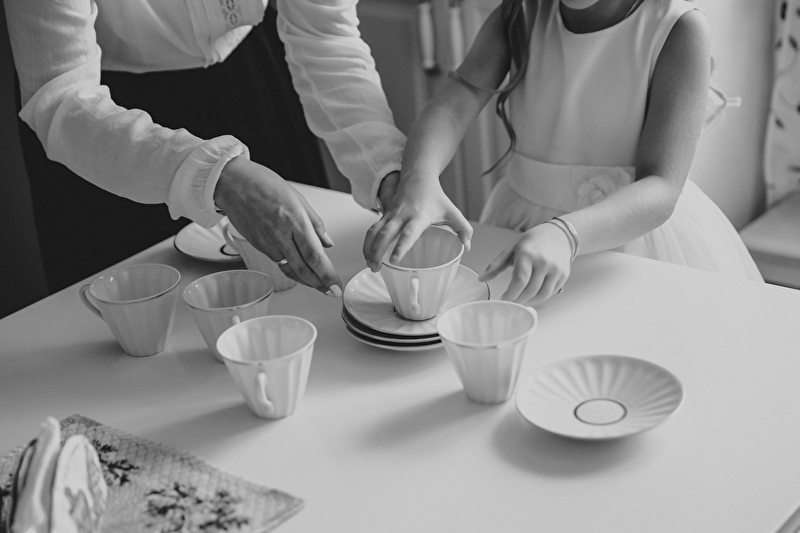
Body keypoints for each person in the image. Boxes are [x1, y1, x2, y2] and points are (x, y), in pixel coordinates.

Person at [364, 0, 763, 305]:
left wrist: (566, 235)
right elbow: (456, 102)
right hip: (520, 224)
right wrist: (419, 177)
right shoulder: (521, 12)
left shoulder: (678, 28)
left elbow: (661, 185)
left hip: (628, 234)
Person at [4, 0, 405, 296]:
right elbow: (60, 97)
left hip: (252, 88)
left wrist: (388, 170)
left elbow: (325, 34)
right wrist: (217, 176)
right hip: (108, 136)